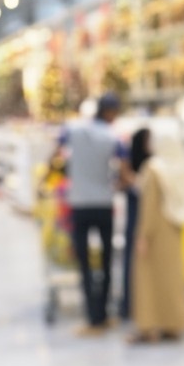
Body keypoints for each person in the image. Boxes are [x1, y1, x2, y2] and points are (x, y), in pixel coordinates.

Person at [61, 93, 130, 336]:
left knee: (85, 263)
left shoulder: (73, 129)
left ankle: (93, 317)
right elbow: (124, 171)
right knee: (106, 260)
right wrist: (118, 184)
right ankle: (104, 313)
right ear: (110, 112)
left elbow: (57, 153)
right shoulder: (114, 137)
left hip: (79, 203)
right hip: (103, 203)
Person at [129, 125, 184, 344]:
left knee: (148, 280)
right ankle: (174, 325)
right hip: (174, 230)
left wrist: (143, 235)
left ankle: (148, 327)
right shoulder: (180, 168)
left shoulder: (154, 169)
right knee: (173, 280)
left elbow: (149, 205)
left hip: (156, 231)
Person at [120, 127, 151, 322]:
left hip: (150, 222)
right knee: (132, 261)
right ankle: (129, 305)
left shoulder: (153, 165)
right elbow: (125, 183)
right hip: (136, 220)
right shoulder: (129, 164)